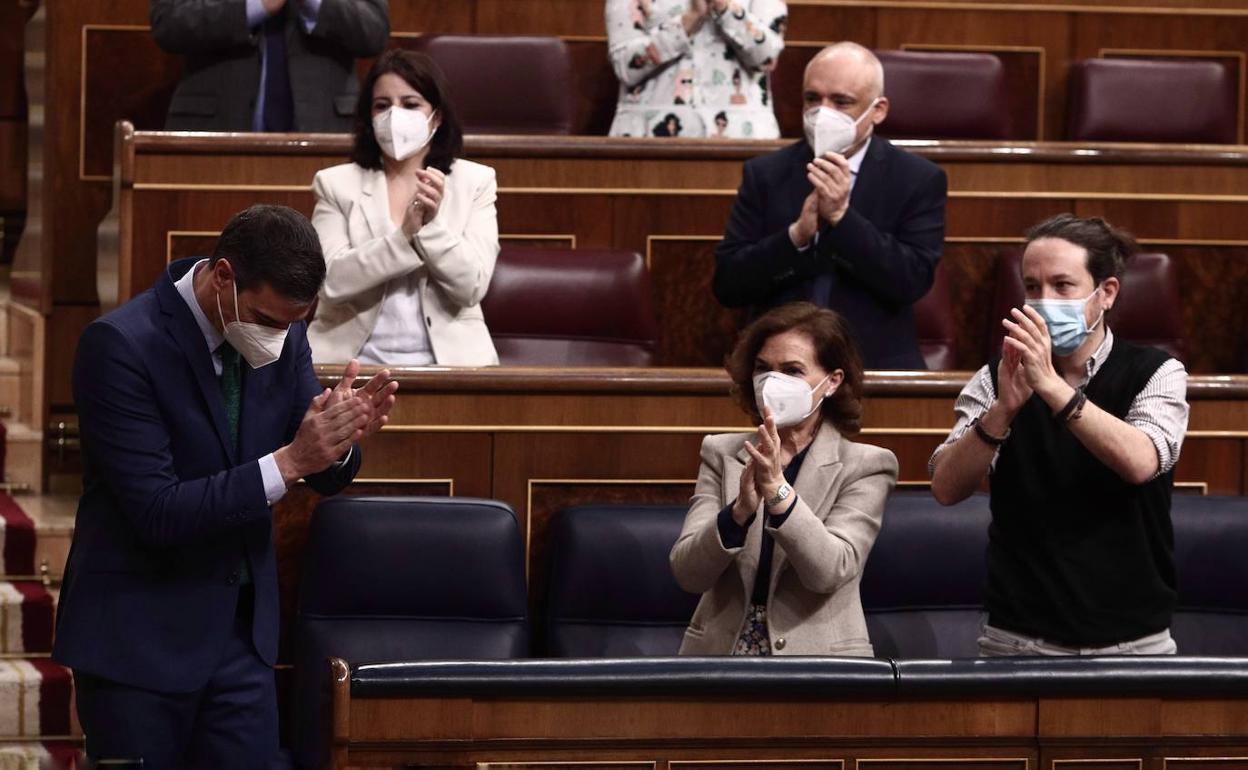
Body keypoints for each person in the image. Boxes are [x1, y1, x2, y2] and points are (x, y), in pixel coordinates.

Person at [53, 205, 398, 767]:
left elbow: (317, 464)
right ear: (223, 277)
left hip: (240, 644)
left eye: (292, 324)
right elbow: (157, 510)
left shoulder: (284, 334)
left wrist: (340, 436)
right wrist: (289, 461)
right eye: (267, 320)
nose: (278, 337)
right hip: (139, 642)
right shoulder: (120, 346)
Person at [929, 214, 1190, 657]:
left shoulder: (1157, 373)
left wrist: (1052, 388)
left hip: (1131, 645)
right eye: (1032, 287)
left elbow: (1141, 461)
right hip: (1016, 642)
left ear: (1105, 293)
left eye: (1062, 285)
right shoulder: (996, 378)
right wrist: (1003, 412)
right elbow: (946, 487)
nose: (1043, 301)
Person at [670, 302, 898, 655]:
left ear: (832, 381)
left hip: (821, 664)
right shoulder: (721, 453)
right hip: (721, 656)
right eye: (763, 368)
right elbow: (688, 573)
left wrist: (779, 493)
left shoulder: (866, 465)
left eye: (792, 371)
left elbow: (830, 571)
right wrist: (737, 515)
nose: (773, 383)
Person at [713, 42, 947, 369]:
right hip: (778, 368)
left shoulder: (916, 179)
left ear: (878, 110)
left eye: (841, 102)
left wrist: (841, 217)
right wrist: (796, 237)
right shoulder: (765, 174)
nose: (823, 113)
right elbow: (728, 284)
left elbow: (910, 280)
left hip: (875, 367)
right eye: (813, 99)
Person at [308, 49, 500, 366]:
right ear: (369, 117)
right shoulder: (335, 184)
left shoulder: (474, 182)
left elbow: (472, 286)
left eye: (410, 104)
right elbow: (329, 283)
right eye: (382, 106)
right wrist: (404, 237)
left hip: (451, 364)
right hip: (351, 362)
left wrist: (430, 228)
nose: (394, 115)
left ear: (435, 117)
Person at [150, 0, 389, 132]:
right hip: (216, 128)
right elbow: (169, 23)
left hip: (324, 129)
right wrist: (255, 6)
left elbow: (373, 30)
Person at [606, 0, 787, 139]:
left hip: (742, 137)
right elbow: (625, 66)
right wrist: (688, 21)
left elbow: (767, 58)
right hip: (648, 139)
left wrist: (724, 8)